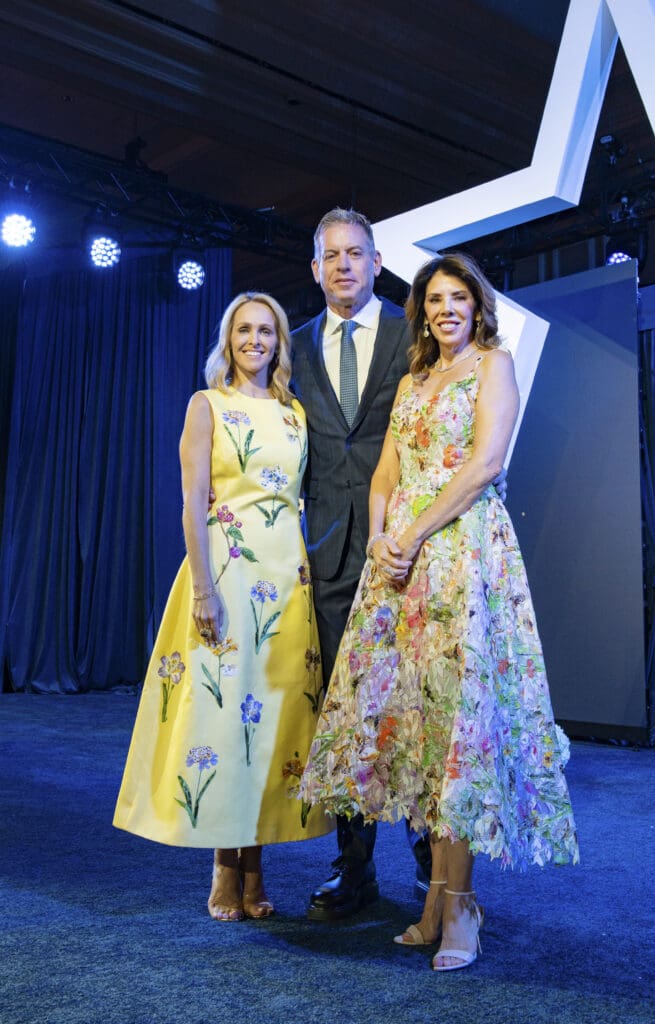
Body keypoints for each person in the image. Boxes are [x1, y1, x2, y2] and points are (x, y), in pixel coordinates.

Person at [299, 253, 579, 971]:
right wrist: (382, 541)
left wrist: (414, 533)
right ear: (421, 312)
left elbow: (485, 464)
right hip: (401, 568)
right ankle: (432, 904)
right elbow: (385, 473)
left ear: (477, 306)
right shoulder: (413, 379)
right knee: (419, 730)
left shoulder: (494, 364)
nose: (446, 309)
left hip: (464, 558)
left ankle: (459, 907)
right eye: (434, 300)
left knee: (461, 729)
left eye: (458, 297)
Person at [114, 291, 331, 921]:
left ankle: (255, 866)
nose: (255, 340)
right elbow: (192, 503)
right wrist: (204, 589)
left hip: (286, 584)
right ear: (228, 340)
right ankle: (224, 866)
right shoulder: (206, 405)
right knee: (221, 719)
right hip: (228, 577)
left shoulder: (294, 413)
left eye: (266, 331)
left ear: (279, 342)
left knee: (269, 726)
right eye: (244, 330)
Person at [291, 207, 428, 921]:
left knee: (415, 703)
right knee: (343, 711)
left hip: (407, 549)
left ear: (377, 263)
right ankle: (354, 867)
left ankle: (433, 865)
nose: (344, 265)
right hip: (328, 554)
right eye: (332, 255)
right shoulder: (291, 346)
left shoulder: (417, 335)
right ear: (315, 269)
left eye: (356, 253)